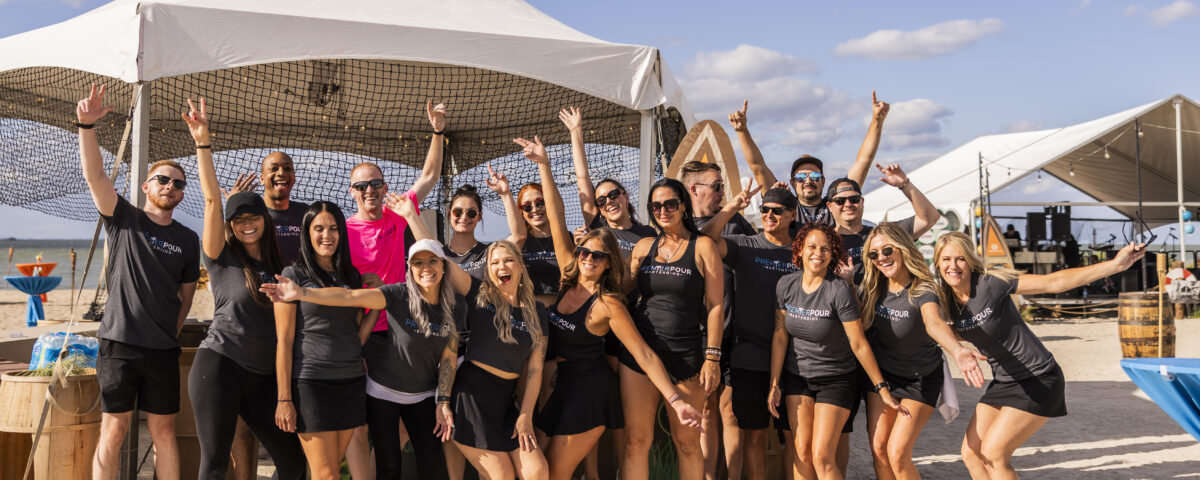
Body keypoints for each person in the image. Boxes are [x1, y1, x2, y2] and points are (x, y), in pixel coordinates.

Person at [516, 135, 704, 479]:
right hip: (564, 389)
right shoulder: (568, 280)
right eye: (585, 252)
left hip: (589, 395)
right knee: (534, 467)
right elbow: (557, 220)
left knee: (556, 472)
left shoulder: (609, 304)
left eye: (598, 256)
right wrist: (544, 166)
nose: (588, 259)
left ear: (608, 264)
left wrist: (676, 402)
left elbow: (644, 355)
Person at [933, 232, 1144, 480]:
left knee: (993, 454)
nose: (953, 266)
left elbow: (1053, 283)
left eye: (960, 259)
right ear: (937, 263)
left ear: (970, 260)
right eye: (946, 259)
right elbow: (940, 326)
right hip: (1004, 381)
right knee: (971, 454)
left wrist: (1114, 265)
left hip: (1038, 377)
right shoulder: (945, 298)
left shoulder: (991, 282)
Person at [260, 235, 464, 480]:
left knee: (433, 469)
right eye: (418, 263)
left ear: (444, 265)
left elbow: (449, 357)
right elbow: (349, 297)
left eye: (433, 261)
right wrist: (301, 292)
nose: (426, 268)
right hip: (383, 393)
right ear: (410, 269)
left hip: (422, 394)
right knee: (388, 469)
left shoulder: (456, 305)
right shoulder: (398, 295)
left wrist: (443, 401)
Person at [78, 84, 200, 480]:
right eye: (163, 180)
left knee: (164, 433)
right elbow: (96, 176)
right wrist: (86, 126)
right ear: (146, 186)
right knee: (114, 428)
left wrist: (172, 331)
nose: (171, 187)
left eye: (179, 184)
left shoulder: (187, 238)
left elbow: (185, 295)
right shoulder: (125, 218)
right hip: (118, 344)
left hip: (163, 350)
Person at [181, 99, 307, 479]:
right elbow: (210, 200)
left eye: (253, 216)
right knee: (215, 463)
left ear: (265, 221)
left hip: (264, 376)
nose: (247, 224)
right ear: (230, 225)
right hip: (219, 366)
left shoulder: (282, 266)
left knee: (293, 461)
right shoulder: (220, 258)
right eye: (238, 219)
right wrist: (203, 141)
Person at [344, 100, 448, 473]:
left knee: (416, 428)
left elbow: (431, 175)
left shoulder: (399, 213)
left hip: (407, 331)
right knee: (374, 429)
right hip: (366, 333)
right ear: (352, 191)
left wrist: (436, 131)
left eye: (375, 183)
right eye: (362, 185)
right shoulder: (342, 231)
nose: (370, 190)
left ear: (384, 186)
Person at [768, 222, 909, 480]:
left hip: (836, 379)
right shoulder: (785, 285)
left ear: (833, 255)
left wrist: (882, 388)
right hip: (797, 377)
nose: (818, 254)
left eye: (825, 249)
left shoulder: (839, 289)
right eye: (811, 247)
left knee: (822, 456)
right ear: (799, 250)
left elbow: (858, 343)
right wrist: (775, 383)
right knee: (800, 450)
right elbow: (780, 335)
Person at [562, 107, 656, 477]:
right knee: (606, 409)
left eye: (614, 194)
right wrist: (576, 133)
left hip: (634, 327)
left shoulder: (649, 235)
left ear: (626, 194)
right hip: (600, 332)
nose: (608, 202)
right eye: (602, 200)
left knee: (627, 419)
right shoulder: (597, 231)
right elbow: (583, 181)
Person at [858, 223, 988, 480]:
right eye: (874, 255)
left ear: (903, 249)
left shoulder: (923, 289)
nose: (881, 258)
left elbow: (934, 323)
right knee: (879, 450)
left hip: (919, 379)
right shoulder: (874, 288)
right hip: (883, 378)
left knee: (897, 454)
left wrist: (957, 350)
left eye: (887, 250)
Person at [621, 177, 724, 479]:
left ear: (683, 206)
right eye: (656, 206)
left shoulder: (703, 246)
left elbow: (716, 305)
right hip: (641, 355)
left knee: (688, 444)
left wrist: (713, 357)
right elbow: (618, 291)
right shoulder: (642, 247)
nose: (663, 210)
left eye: (670, 204)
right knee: (635, 442)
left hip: (684, 355)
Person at [699, 186, 801, 480]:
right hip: (751, 355)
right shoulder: (745, 245)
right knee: (754, 436)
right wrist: (731, 207)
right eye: (765, 209)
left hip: (796, 356)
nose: (769, 215)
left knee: (795, 437)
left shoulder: (802, 250)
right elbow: (705, 239)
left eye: (777, 210)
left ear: (792, 215)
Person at [273, 201, 378, 480]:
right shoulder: (292, 276)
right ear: (307, 233)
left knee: (333, 470)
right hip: (311, 384)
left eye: (333, 228)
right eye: (318, 229)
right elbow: (283, 342)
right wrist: (284, 398)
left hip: (350, 382)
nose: (326, 235)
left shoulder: (350, 276)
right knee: (326, 475)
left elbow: (358, 337)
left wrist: (376, 303)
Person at [680, 159, 754, 479]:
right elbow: (703, 241)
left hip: (735, 333)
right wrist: (731, 209)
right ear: (694, 189)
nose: (723, 192)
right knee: (706, 411)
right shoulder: (680, 224)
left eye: (723, 186)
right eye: (718, 186)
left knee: (731, 412)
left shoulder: (737, 224)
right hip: (698, 334)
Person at [730, 93, 889, 226]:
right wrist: (742, 131)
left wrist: (877, 121)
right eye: (800, 177)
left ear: (823, 181)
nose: (808, 181)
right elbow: (758, 167)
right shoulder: (784, 206)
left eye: (814, 176)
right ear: (792, 183)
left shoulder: (837, 204)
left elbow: (864, 161)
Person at [827, 164, 940, 284]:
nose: (848, 204)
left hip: (887, 302)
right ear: (829, 206)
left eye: (854, 199)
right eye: (840, 201)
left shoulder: (884, 235)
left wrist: (905, 185)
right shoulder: (823, 242)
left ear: (862, 202)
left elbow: (929, 218)